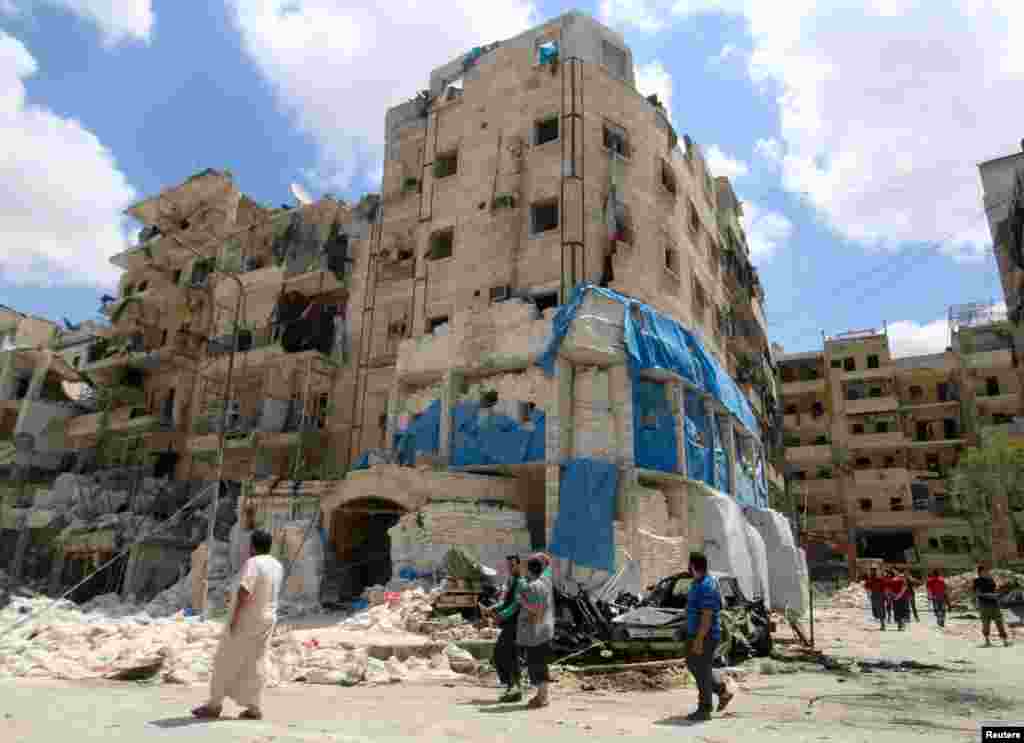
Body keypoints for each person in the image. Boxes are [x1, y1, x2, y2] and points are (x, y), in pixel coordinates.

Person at [192, 529, 284, 720]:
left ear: (252, 546)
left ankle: (214, 704)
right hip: (268, 618)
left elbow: (245, 590)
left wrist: (234, 617)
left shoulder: (254, 562)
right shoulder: (277, 565)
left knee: (226, 658)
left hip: (248, 618)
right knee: (256, 660)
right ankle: (254, 707)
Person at [684, 552, 733, 722]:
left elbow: (706, 616)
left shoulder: (707, 586)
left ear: (692, 566)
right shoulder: (697, 583)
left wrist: (699, 639)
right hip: (695, 634)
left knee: (702, 669)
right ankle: (721, 691)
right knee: (693, 664)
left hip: (705, 636)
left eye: (689, 564)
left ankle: (704, 709)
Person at [485, 555, 525, 702]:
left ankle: (514, 688)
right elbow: (504, 601)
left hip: (517, 624)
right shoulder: (510, 581)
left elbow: (516, 605)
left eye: (513, 565)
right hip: (509, 624)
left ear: (519, 566)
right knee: (505, 655)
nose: (510, 568)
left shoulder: (521, 583)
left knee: (505, 654)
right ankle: (513, 688)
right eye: (508, 565)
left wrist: (500, 615)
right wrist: (492, 608)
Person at [517, 556, 555, 709]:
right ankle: (542, 695)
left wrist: (522, 602)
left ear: (530, 570)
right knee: (540, 663)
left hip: (535, 631)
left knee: (536, 663)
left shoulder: (533, 586)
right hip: (543, 629)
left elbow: (536, 609)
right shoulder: (545, 583)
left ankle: (542, 697)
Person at [973, 564, 1012, 647]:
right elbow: (977, 593)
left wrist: (999, 593)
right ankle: (987, 641)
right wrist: (989, 595)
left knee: (999, 622)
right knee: (986, 624)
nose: (987, 572)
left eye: (987, 570)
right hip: (984, 604)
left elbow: (994, 590)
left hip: (994, 604)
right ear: (980, 572)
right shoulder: (977, 581)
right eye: (984, 571)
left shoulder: (991, 580)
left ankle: (1005, 641)